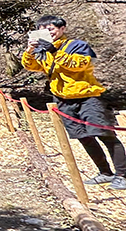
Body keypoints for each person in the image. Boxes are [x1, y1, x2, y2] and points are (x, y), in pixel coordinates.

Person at [22, 15, 126, 190]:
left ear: (62, 29)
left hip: (88, 96)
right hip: (63, 99)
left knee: (105, 134)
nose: (48, 33)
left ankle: (123, 174)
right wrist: (30, 51)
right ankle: (105, 172)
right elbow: (31, 66)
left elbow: (80, 64)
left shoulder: (77, 45)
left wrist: (54, 51)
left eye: (51, 29)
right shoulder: (44, 49)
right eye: (43, 31)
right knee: (83, 136)